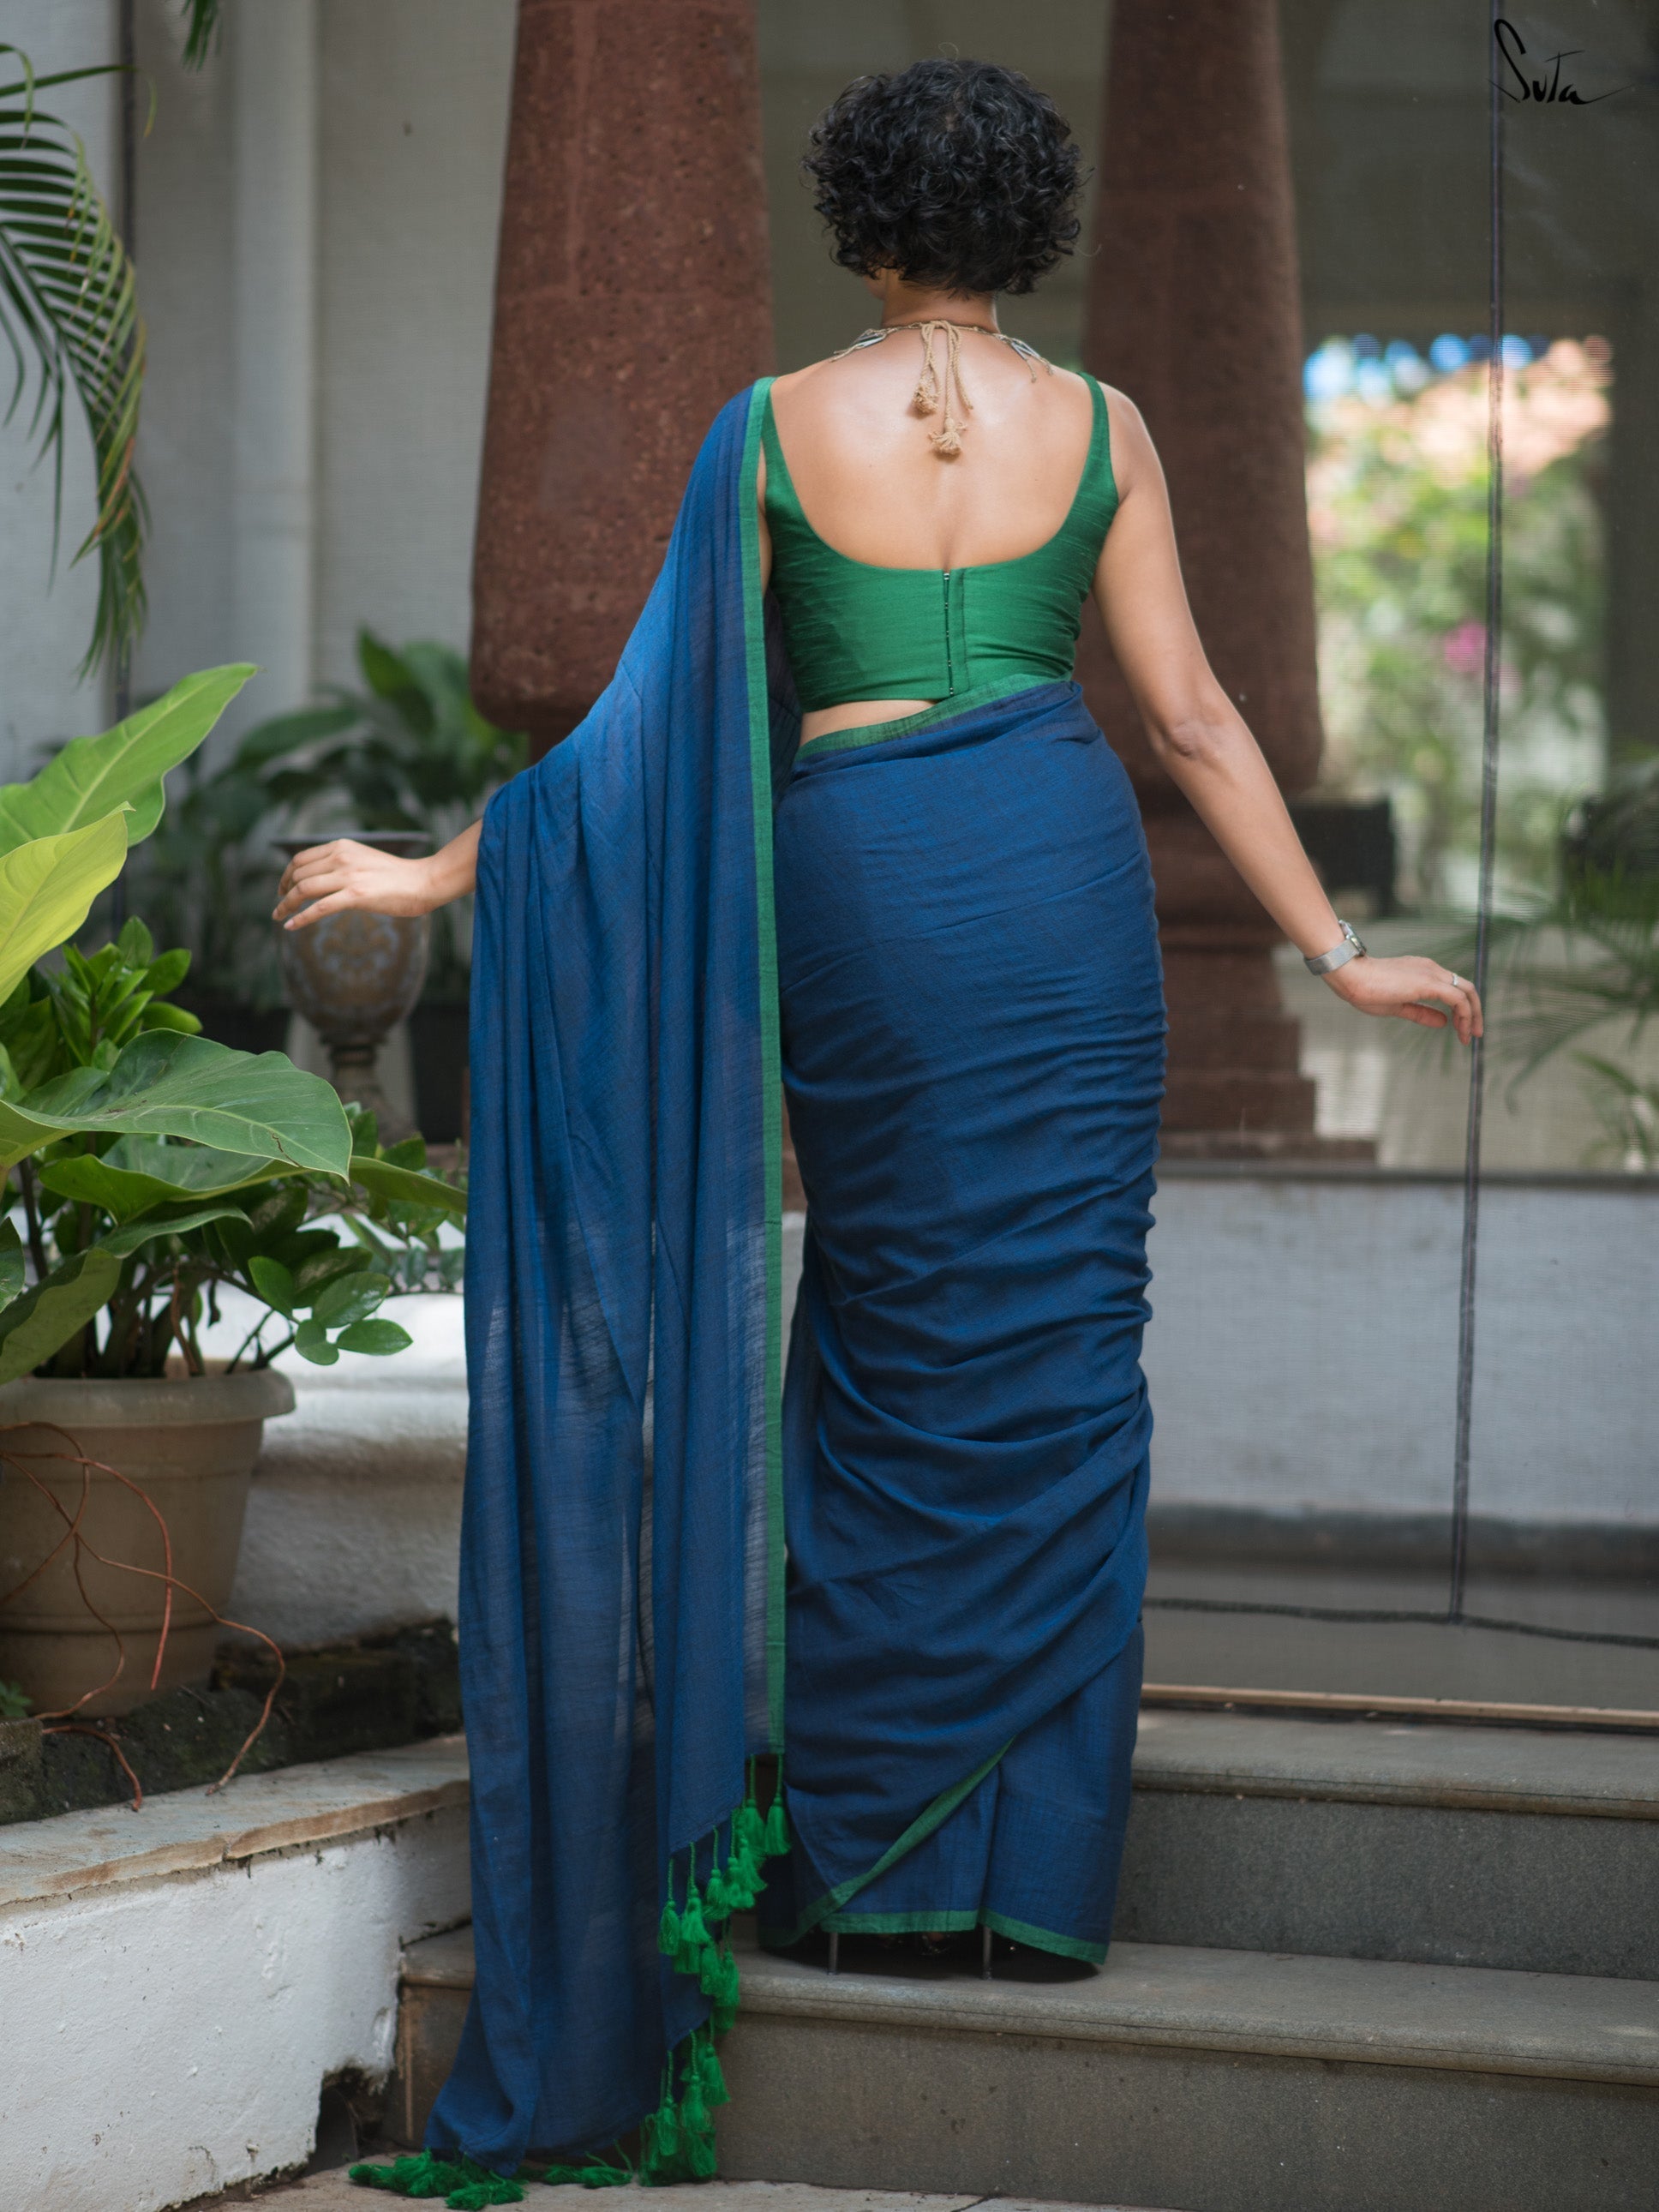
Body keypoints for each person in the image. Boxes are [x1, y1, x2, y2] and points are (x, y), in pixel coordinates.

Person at [296, 59, 1481, 2208]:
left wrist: (437, 870)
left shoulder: (766, 431)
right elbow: (1192, 717)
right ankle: (1024, 1886)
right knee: (1060, 1356)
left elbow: (638, 734)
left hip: (864, 885)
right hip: (1057, 883)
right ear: (1027, 227)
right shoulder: (1104, 430)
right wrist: (1334, 951)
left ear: (857, 226)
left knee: (882, 1336)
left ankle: (865, 1878)